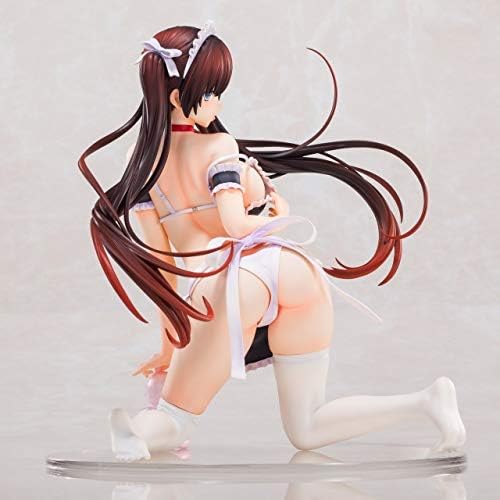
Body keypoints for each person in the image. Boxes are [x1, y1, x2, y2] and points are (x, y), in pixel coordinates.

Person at [78, 21, 465, 461]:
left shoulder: (143, 170)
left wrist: (171, 343)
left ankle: (137, 433)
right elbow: (236, 224)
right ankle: (427, 402)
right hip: (286, 272)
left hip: (224, 283)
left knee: (176, 417)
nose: (217, 102)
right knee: (307, 427)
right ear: (176, 97)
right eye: (211, 92)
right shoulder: (219, 147)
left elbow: (164, 267)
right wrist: (276, 218)